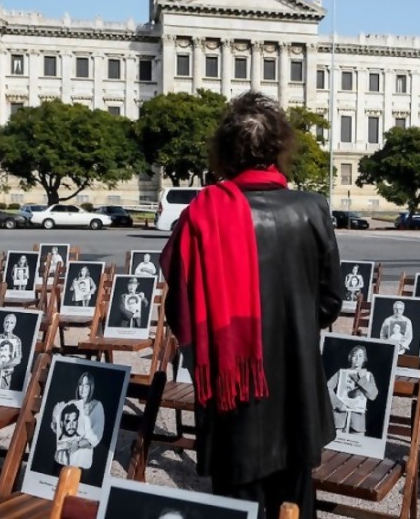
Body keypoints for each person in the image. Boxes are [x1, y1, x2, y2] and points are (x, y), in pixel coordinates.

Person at [159, 91, 343, 519]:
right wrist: (293, 326)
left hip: (231, 396)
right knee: (296, 506)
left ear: (224, 153)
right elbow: (331, 300)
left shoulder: (200, 214)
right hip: (296, 388)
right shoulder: (313, 209)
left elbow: (178, 311)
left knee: (234, 507)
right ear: (280, 149)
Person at [327, 345, 379, 435]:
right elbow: (327, 388)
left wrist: (362, 379)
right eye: (355, 355)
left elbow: (373, 395)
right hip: (339, 421)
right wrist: (338, 404)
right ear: (350, 357)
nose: (357, 358)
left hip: (357, 424)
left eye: (360, 356)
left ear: (364, 359)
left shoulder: (368, 375)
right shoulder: (341, 372)